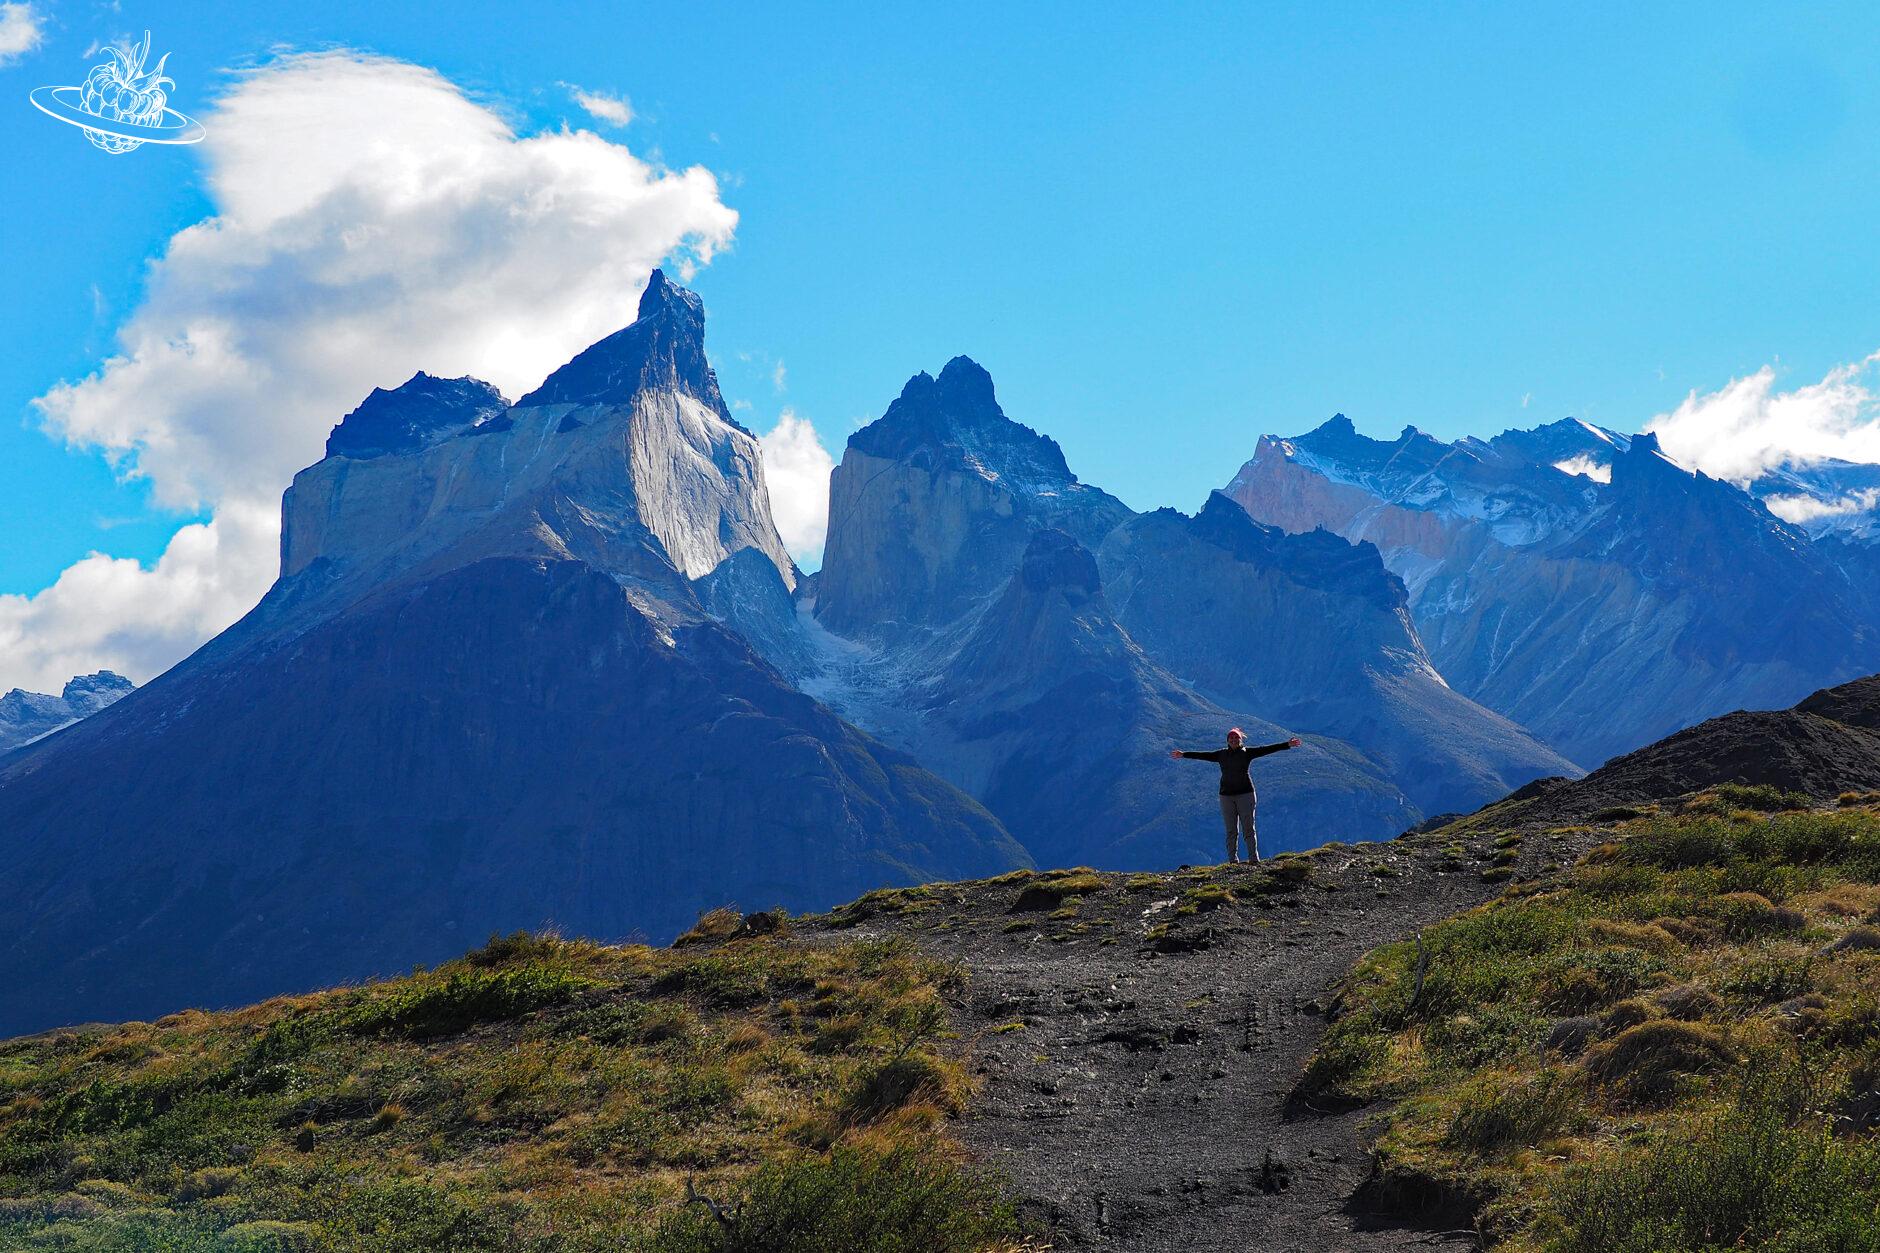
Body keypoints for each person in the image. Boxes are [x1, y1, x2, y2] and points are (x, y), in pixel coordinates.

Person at [1170, 728, 1301, 864]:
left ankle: (1254, 859)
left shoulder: (1247, 753)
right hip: (1226, 796)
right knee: (1231, 830)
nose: (1233, 740)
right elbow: (1204, 755)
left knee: (1248, 828)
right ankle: (1233, 860)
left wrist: (1287, 745)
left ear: (1240, 740)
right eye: (1231, 738)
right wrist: (1183, 754)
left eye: (1236, 738)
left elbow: (1266, 749)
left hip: (1246, 794)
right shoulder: (1221, 754)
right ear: (1227, 741)